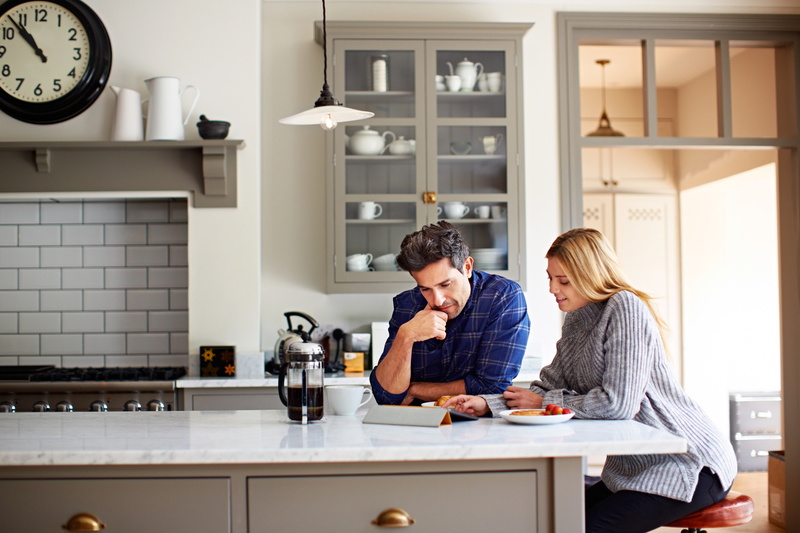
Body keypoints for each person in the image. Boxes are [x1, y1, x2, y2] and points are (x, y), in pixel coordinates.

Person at [443, 227, 737, 533]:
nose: (552, 288)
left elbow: (618, 404)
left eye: (564, 280)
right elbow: (547, 385)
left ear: (591, 275)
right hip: (633, 468)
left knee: (582, 528)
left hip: (689, 465)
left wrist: (544, 402)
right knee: (554, 520)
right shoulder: (577, 317)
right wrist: (486, 404)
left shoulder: (625, 307)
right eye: (550, 278)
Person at [369, 221, 530, 406]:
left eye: (445, 284)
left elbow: (491, 387)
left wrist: (415, 390)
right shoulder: (408, 305)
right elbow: (386, 396)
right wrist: (406, 336)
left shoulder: (502, 297)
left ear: (467, 267)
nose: (437, 300)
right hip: (416, 426)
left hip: (476, 427)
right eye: (425, 289)